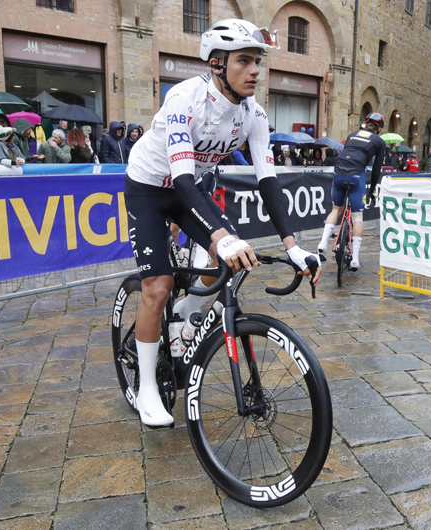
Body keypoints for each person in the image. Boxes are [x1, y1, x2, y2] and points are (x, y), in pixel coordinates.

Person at [124, 18, 320, 427]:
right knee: (156, 289)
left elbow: (267, 179)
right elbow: (179, 176)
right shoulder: (184, 98)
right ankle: (145, 389)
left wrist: (293, 246)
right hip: (150, 187)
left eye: (258, 62)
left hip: (186, 190)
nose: (254, 71)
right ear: (216, 64)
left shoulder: (253, 113)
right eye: (244, 61)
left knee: (228, 259)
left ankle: (184, 317)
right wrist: (220, 234)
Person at [317, 112, 388, 271]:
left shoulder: (352, 134)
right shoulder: (379, 141)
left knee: (336, 209)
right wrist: (372, 190)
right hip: (356, 175)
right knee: (357, 216)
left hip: (339, 171)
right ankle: (355, 258)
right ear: (379, 128)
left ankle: (322, 243)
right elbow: (376, 170)